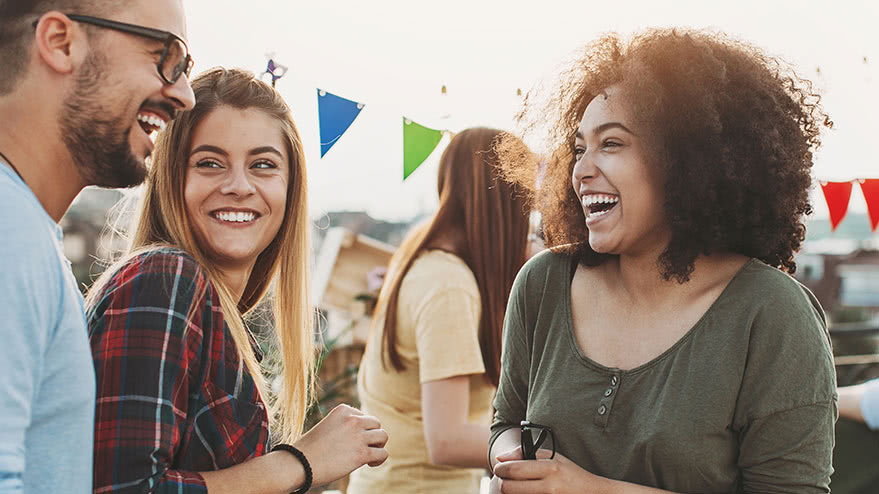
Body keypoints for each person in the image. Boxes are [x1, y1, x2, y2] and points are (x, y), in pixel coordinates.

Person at [489, 29, 837, 493]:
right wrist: (513, 457)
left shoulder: (772, 313)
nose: (582, 169)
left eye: (611, 144)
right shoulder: (543, 282)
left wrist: (593, 489)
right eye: (578, 148)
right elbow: (505, 423)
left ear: (687, 160)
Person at [85, 68, 388, 494]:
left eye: (263, 165)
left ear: (290, 188)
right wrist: (302, 461)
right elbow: (124, 489)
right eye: (210, 163)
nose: (239, 186)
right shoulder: (164, 279)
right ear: (173, 177)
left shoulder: (217, 312)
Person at [0, 1, 195, 492]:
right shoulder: (11, 234)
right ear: (61, 42)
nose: (185, 94)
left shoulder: (27, 232)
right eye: (167, 57)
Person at [348, 127, 532, 494]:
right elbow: (447, 440)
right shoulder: (448, 287)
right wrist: (547, 446)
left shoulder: (422, 259)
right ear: (508, 204)